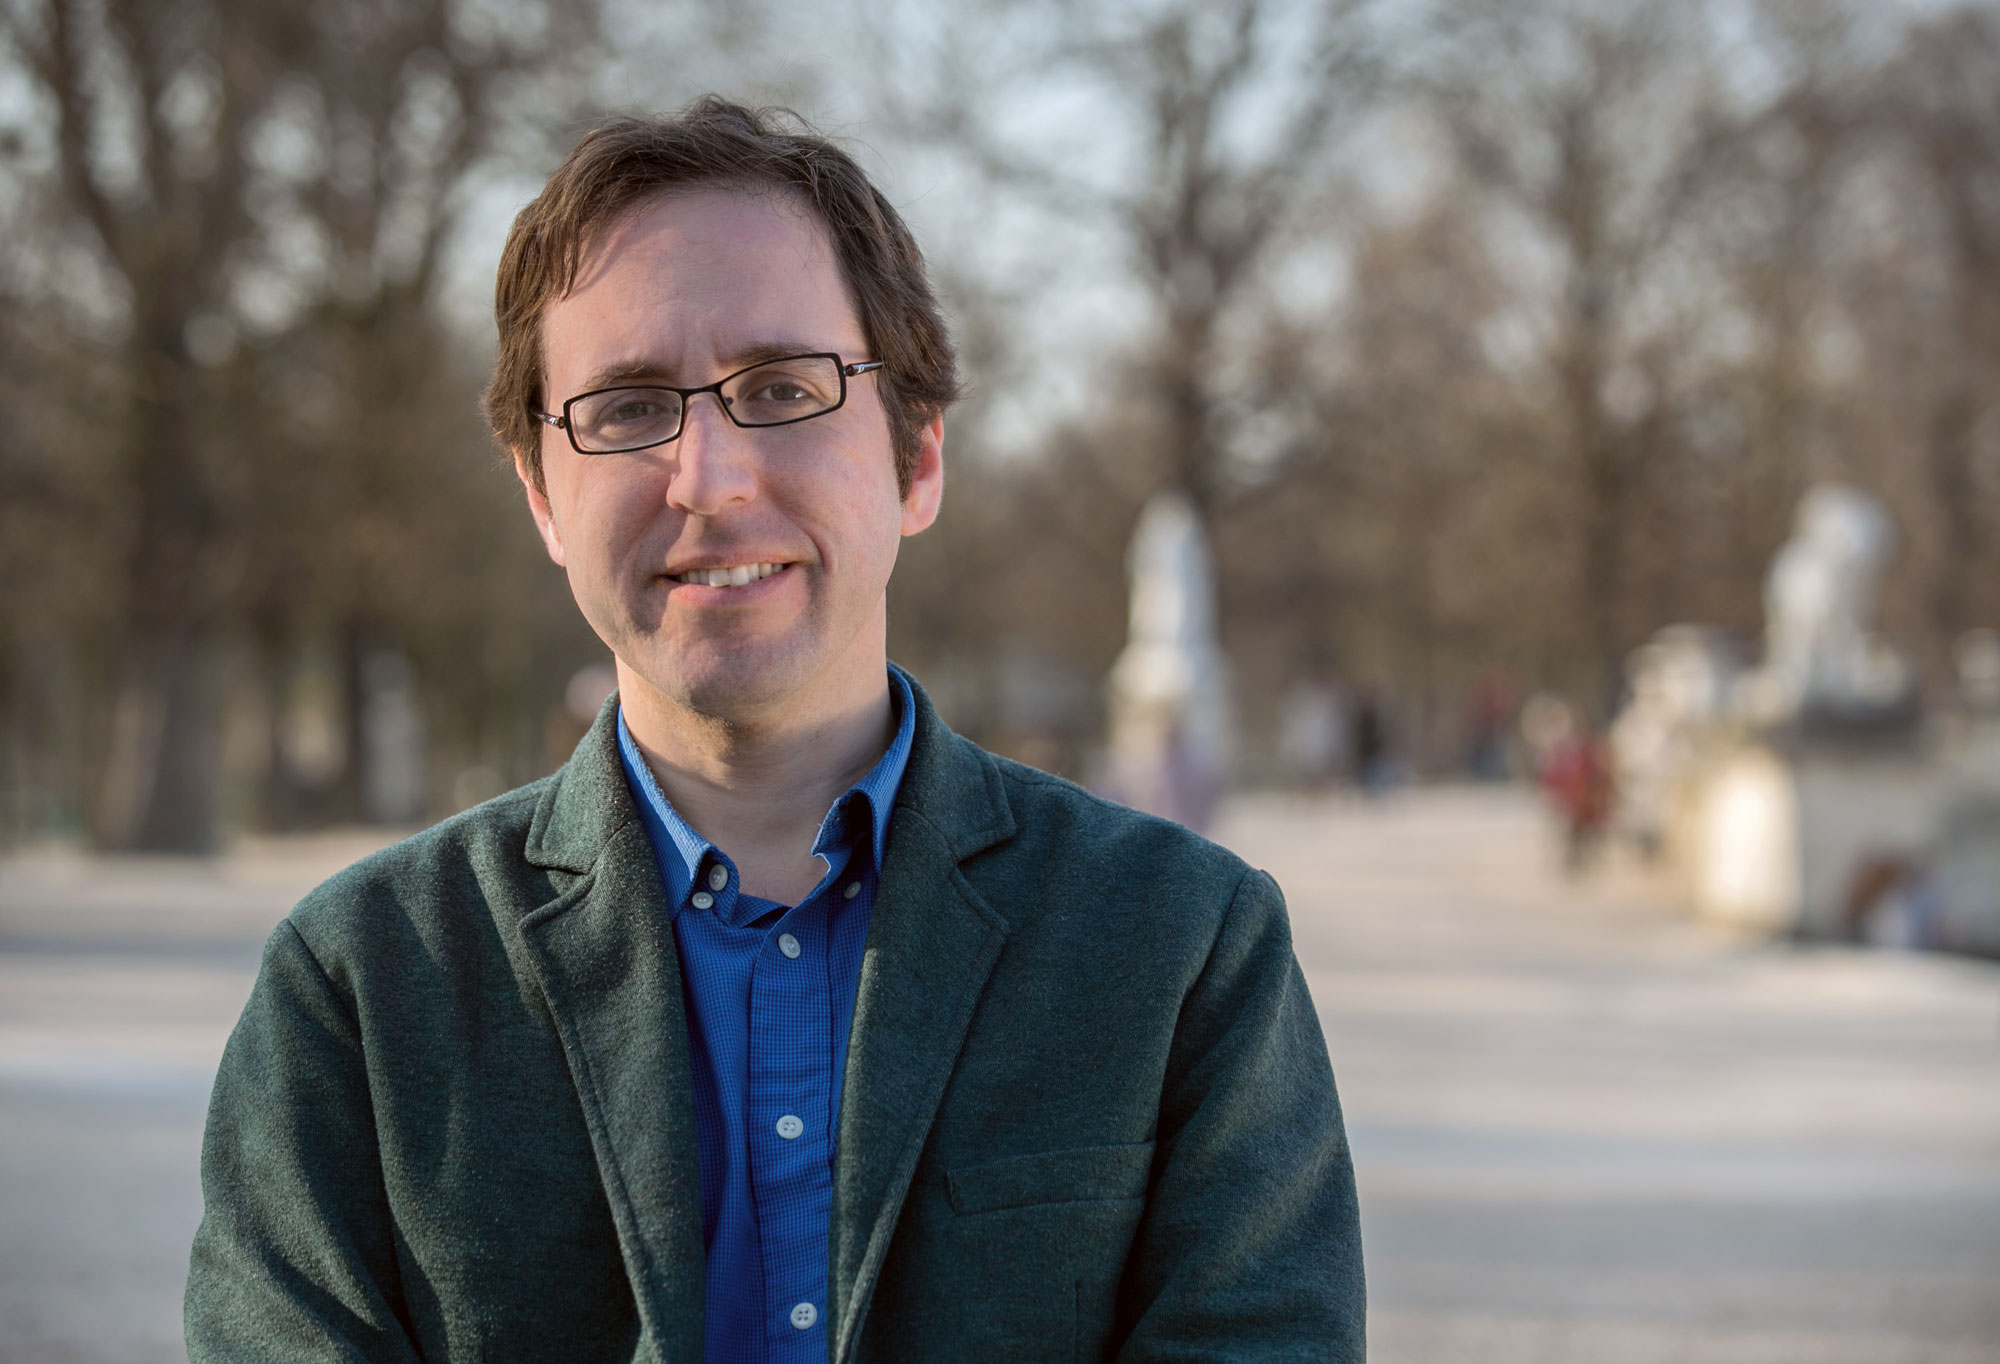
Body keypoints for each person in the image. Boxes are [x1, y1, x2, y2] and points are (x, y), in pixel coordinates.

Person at [185, 98, 1363, 1363]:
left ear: (917, 456)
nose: (711, 474)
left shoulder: (1182, 949)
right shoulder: (359, 993)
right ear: (541, 494)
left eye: (784, 388)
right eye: (628, 408)